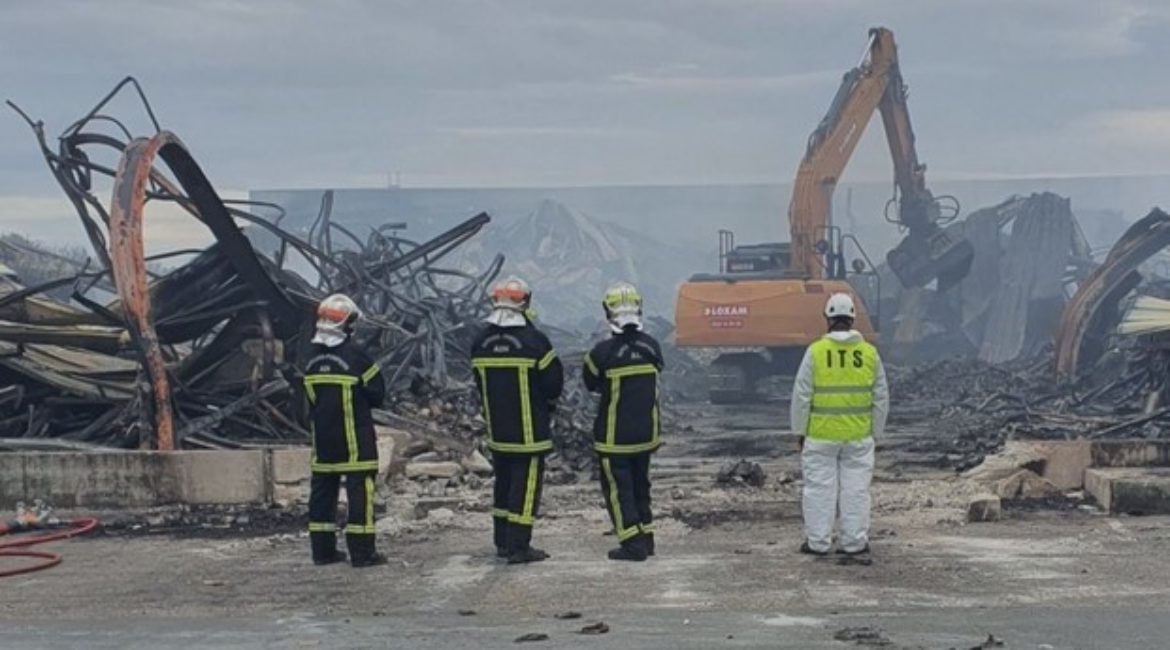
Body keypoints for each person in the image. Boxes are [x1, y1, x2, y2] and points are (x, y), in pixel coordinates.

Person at [470, 276, 564, 565]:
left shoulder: (480, 341)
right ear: (525, 302)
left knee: (503, 484)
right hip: (529, 432)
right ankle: (519, 547)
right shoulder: (534, 342)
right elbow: (553, 384)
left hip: (498, 430)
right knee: (525, 488)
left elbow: (478, 381)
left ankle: (502, 541)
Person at [790, 293, 889, 557]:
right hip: (858, 437)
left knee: (819, 490)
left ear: (828, 319)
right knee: (856, 491)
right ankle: (854, 543)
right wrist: (876, 433)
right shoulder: (869, 353)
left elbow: (801, 396)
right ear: (853, 318)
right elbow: (881, 397)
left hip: (820, 436)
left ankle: (818, 543)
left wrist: (799, 431)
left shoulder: (816, 352)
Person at [304, 294, 388, 568]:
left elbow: (307, 398)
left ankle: (322, 552)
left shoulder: (310, 357)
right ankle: (362, 553)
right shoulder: (357, 357)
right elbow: (377, 394)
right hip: (355, 442)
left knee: (322, 495)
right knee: (359, 494)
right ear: (348, 324)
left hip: (323, 441)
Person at [583, 282, 664, 562]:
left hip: (614, 438)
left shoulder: (602, 353)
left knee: (619, 491)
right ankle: (647, 538)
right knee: (641, 485)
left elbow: (590, 383)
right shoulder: (652, 347)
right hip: (646, 435)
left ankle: (632, 544)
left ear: (608, 312)